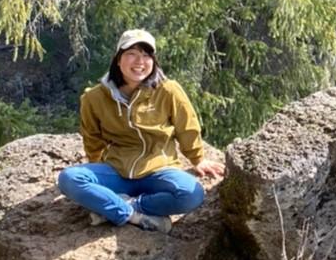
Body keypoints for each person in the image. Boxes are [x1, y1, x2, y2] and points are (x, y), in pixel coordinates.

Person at [57, 29, 223, 234]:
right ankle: (133, 216)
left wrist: (198, 159)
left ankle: (122, 207)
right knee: (69, 178)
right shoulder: (94, 97)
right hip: (117, 170)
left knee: (192, 194)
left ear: (153, 60)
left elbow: (187, 126)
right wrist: (95, 165)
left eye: (146, 55)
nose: (140, 61)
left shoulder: (168, 90)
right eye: (131, 54)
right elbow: (92, 137)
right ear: (118, 59)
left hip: (158, 169)